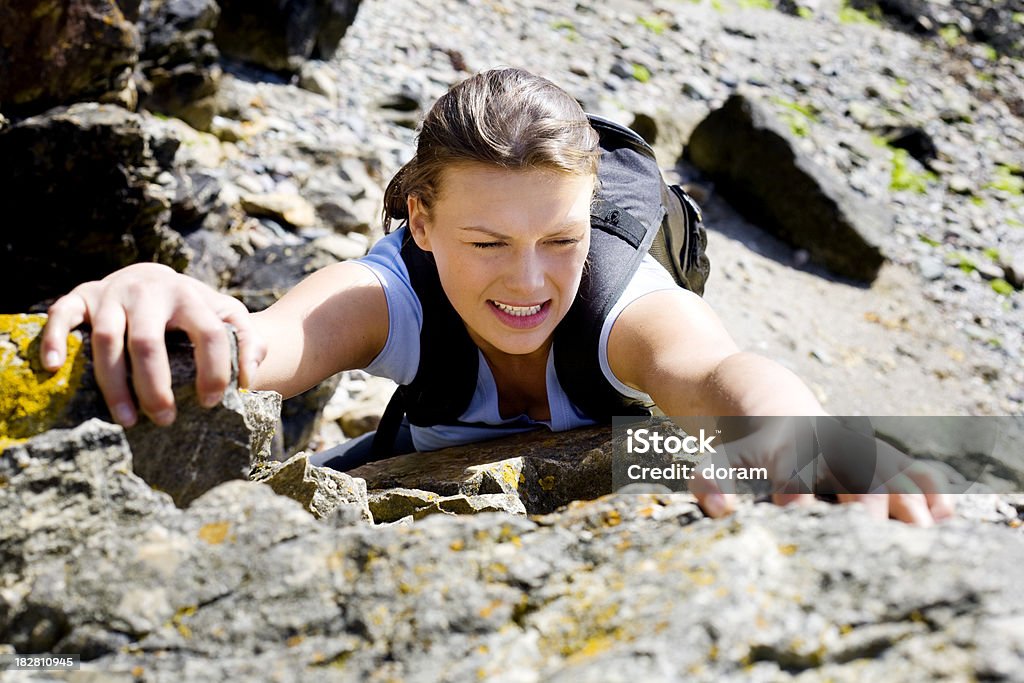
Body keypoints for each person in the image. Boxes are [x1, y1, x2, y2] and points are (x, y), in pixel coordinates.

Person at [39, 68, 952, 525]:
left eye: (559, 239)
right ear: (421, 223)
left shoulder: (618, 300)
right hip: (388, 477)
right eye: (486, 243)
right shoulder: (392, 289)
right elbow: (262, 344)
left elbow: (721, 375)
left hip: (635, 475)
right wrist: (159, 287)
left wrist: (811, 441)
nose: (528, 283)